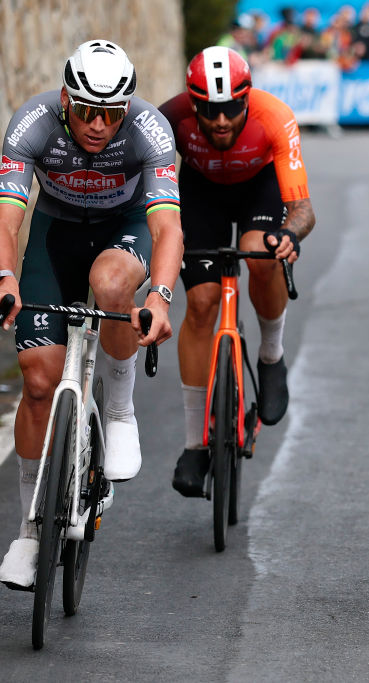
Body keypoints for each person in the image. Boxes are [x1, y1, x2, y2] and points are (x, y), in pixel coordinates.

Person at [0, 40, 184, 590]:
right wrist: (4, 280)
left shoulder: (149, 130)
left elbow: (167, 227)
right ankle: (29, 531)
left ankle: (119, 411)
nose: (98, 125)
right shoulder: (33, 123)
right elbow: (5, 221)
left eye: (111, 115)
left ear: (127, 108)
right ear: (67, 99)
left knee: (112, 284)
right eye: (88, 111)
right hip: (57, 236)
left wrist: (160, 297)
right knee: (38, 382)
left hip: (125, 230)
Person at [159, 47, 316, 497]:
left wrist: (289, 234)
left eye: (231, 108)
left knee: (260, 255)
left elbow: (303, 209)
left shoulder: (275, 116)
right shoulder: (170, 117)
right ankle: (195, 445)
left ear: (247, 98)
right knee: (201, 303)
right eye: (210, 111)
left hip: (258, 191)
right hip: (200, 194)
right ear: (193, 104)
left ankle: (271, 354)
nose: (222, 121)